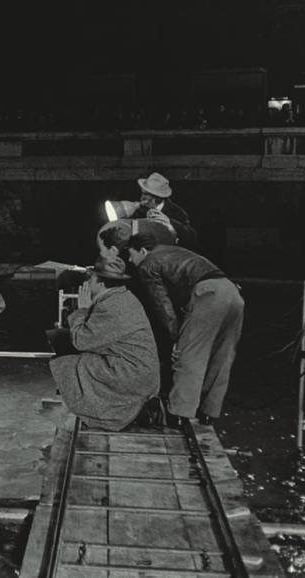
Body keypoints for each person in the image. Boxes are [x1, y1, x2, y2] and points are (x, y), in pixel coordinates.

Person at [127, 232, 243, 426]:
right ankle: (209, 412)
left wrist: (176, 339)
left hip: (208, 294)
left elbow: (162, 306)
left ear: (143, 251)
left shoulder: (148, 264)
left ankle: (179, 414)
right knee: (222, 355)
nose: (130, 260)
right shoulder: (173, 251)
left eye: (132, 254)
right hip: (232, 292)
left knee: (190, 355)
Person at [46, 256, 162, 431]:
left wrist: (82, 310)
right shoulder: (122, 296)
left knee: (71, 365)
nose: (88, 281)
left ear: (99, 283)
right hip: (139, 371)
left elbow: (81, 341)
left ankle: (124, 413)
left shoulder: (111, 306)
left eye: (91, 277)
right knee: (59, 338)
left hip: (131, 374)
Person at [104, 172, 198, 248]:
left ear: (156, 198)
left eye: (145, 194)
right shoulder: (139, 210)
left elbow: (191, 238)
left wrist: (169, 222)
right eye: (142, 193)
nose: (141, 198)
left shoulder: (176, 211)